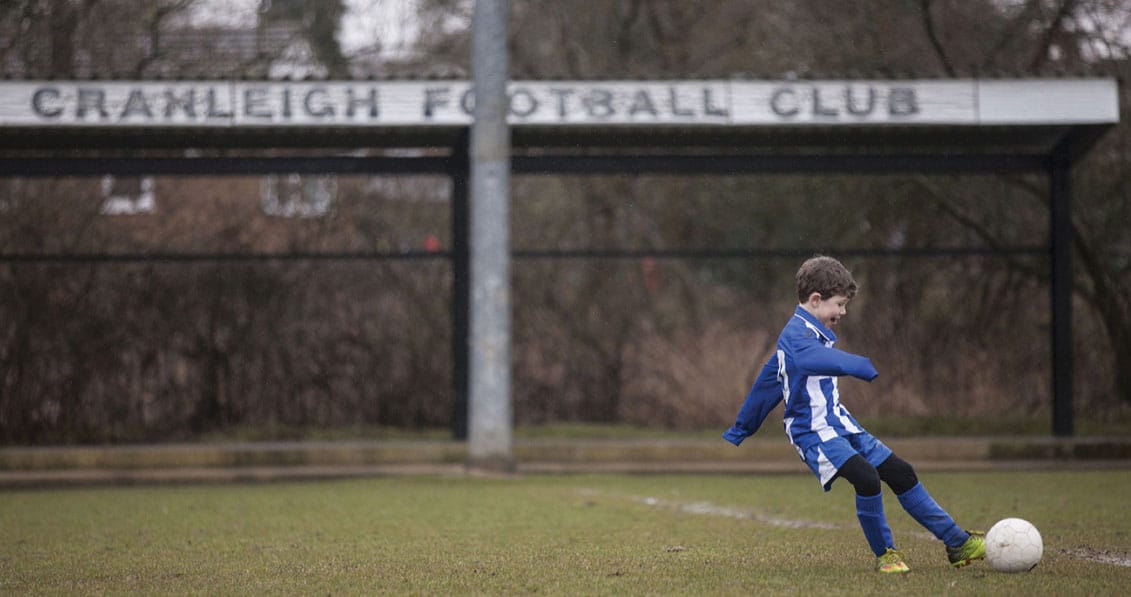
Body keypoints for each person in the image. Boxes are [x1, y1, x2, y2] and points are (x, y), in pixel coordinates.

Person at [722, 255, 985, 574]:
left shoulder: (812, 332)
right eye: (840, 304)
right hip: (813, 433)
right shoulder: (796, 337)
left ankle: (958, 542)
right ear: (816, 300)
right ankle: (886, 554)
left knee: (901, 472)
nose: (843, 313)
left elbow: (768, 382)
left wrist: (742, 426)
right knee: (867, 477)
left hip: (842, 424)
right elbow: (809, 361)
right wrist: (860, 365)